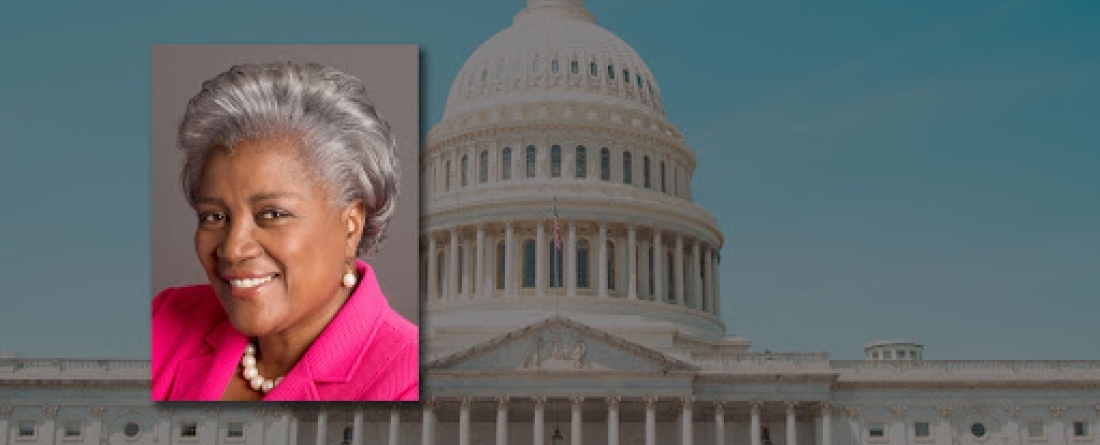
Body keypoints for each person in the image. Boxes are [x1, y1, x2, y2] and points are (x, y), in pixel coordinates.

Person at [151, 62, 418, 401]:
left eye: (272, 214)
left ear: (351, 225)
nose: (233, 249)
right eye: (214, 216)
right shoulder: (164, 320)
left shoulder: (410, 381)